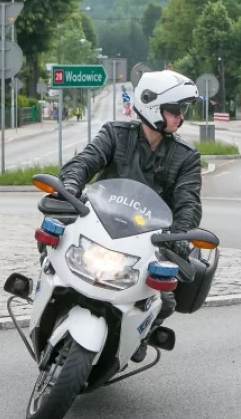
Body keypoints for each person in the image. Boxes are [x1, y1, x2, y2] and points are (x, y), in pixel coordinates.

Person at [59, 70, 201, 363]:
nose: (180, 117)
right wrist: (71, 186)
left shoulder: (186, 157)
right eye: (174, 109)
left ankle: (140, 333)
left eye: (182, 110)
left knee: (166, 299)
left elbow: (189, 203)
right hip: (99, 225)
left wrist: (181, 235)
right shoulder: (115, 135)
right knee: (54, 244)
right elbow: (85, 162)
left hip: (147, 240)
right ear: (151, 106)